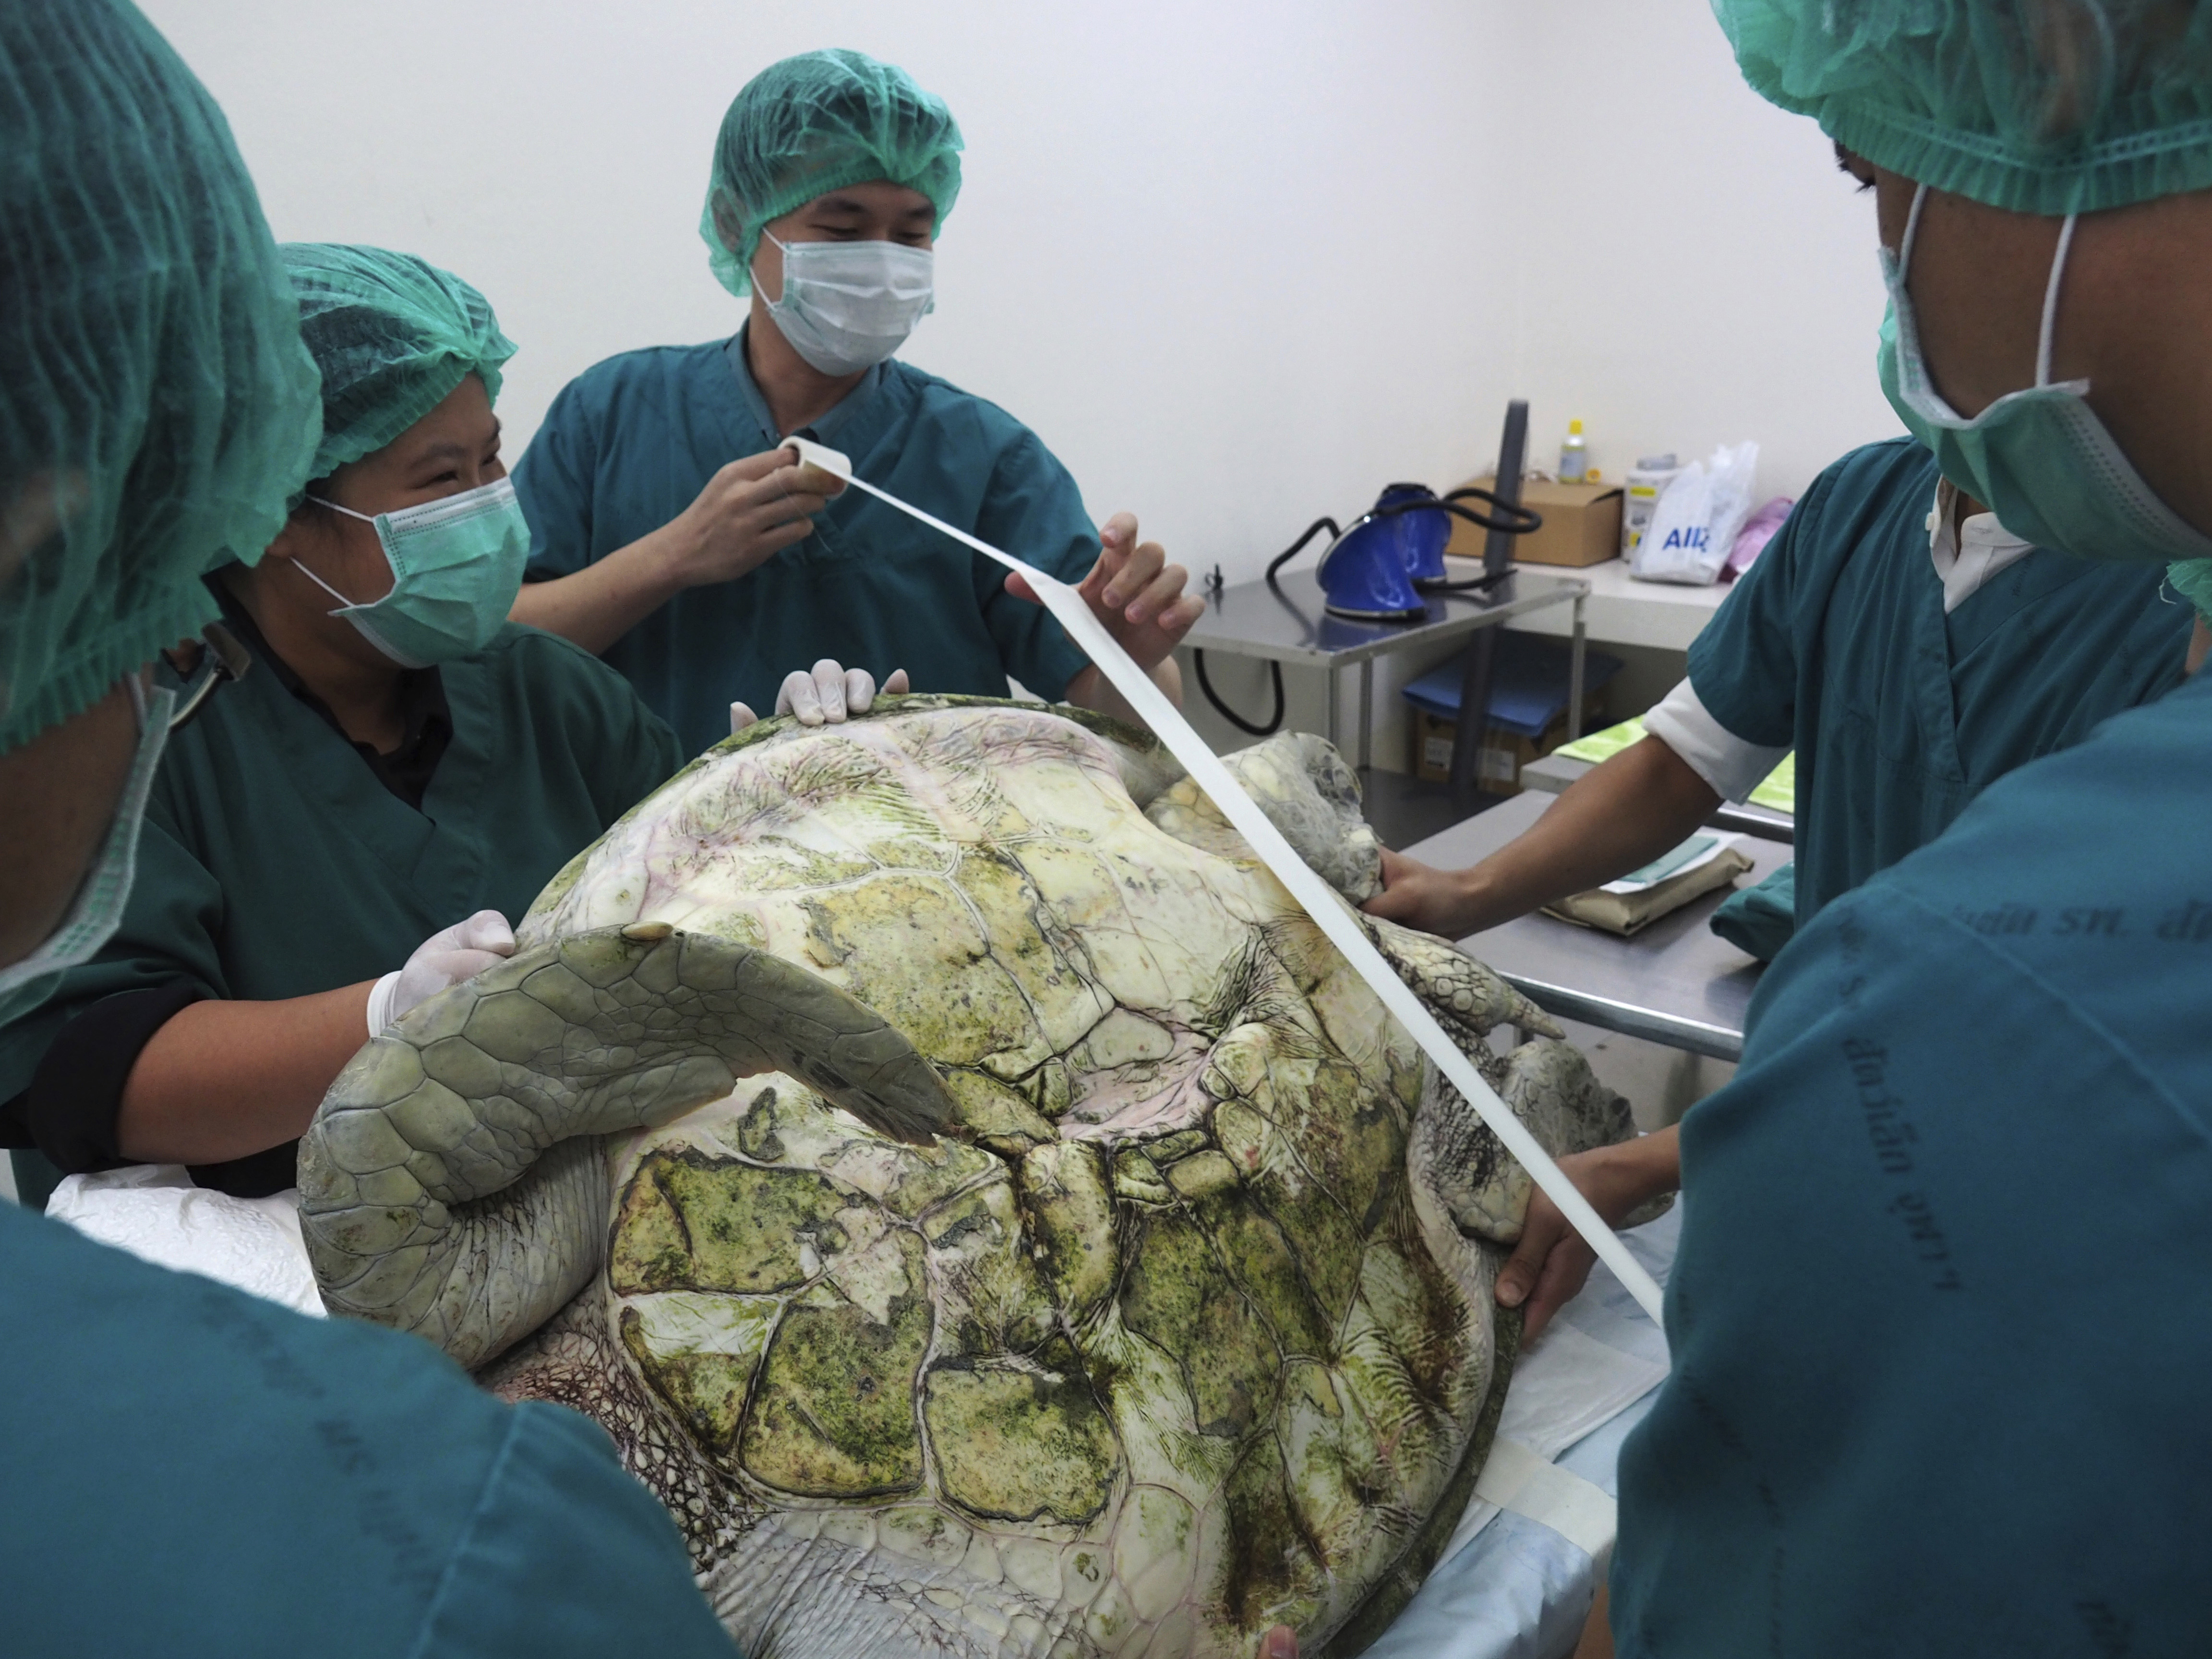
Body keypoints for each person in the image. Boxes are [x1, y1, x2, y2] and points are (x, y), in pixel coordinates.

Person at [0, 3, 735, 1651]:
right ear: (265, 502)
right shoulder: (164, 716)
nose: (494, 513)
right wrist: (391, 1021)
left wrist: (806, 778)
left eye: (494, 461)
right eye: (435, 477)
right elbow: (80, 1065)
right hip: (280, 1287)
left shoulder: (534, 691)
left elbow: (701, 872)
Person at [1581, 3, 2212, 1653]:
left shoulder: (1975, 1022)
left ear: (2059, 132)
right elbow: (1687, 748)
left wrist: (1796, 1148)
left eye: (1878, 181)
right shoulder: (1864, 516)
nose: (1888, 264)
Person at [1370, 180, 2197, 1345]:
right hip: (1812, 1112)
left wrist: (1675, 1151)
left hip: (2040, 1182)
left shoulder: (2172, 585)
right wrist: (1467, 893)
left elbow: (2084, 1018)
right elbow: (1682, 763)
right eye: (1877, 193)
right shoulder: (1860, 510)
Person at [509, 48, 1202, 757]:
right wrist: (674, 557)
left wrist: (1132, 656)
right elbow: (495, 648)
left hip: (925, 853)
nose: (880, 262)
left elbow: (1118, 713)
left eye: (911, 234)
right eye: (842, 230)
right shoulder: (612, 416)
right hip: (667, 855)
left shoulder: (983, 456)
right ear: (735, 224)